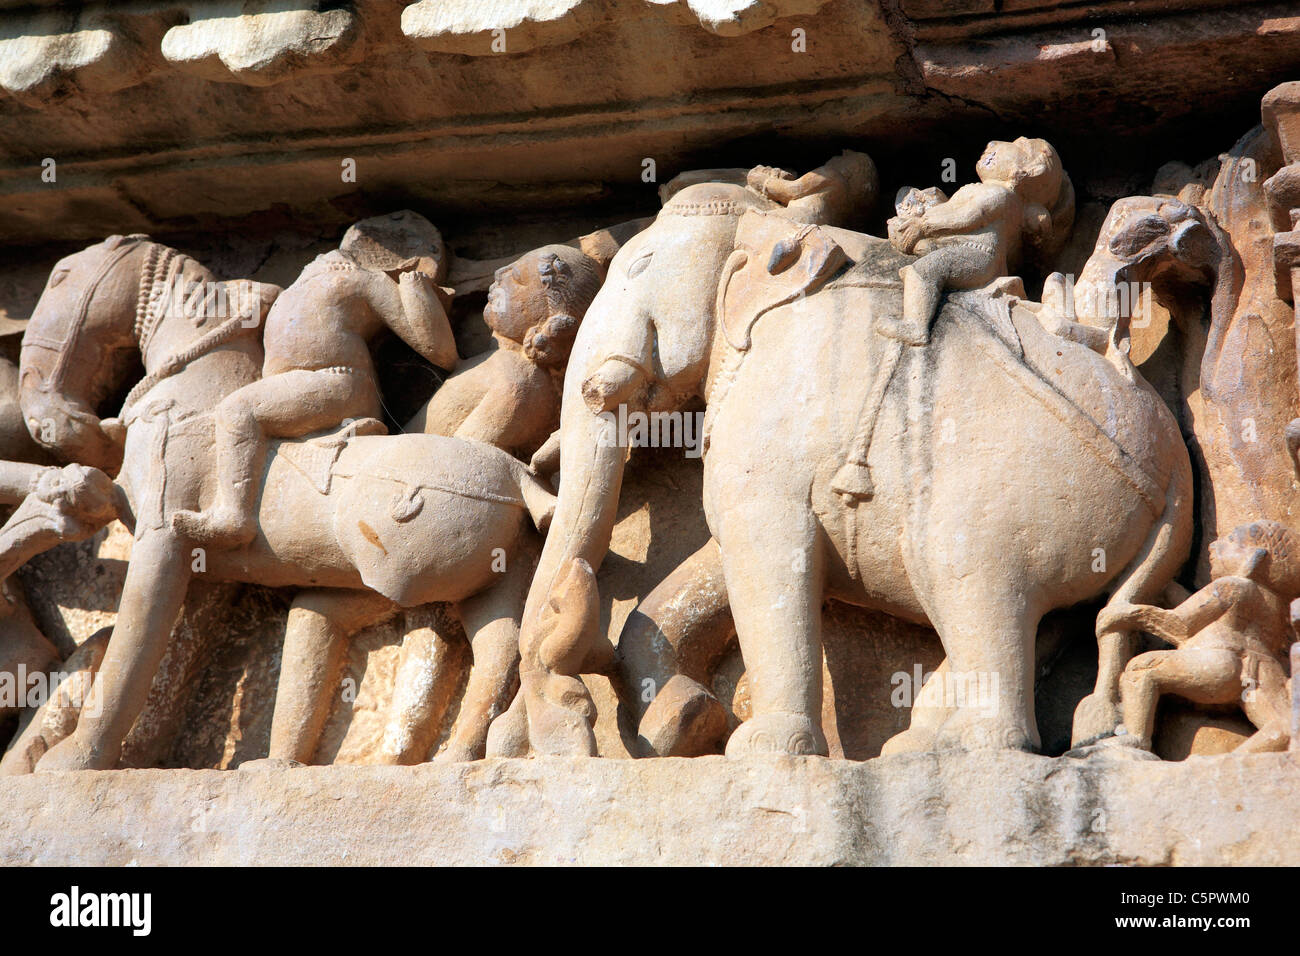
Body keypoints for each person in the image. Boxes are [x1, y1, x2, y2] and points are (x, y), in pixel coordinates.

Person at [171, 211, 458, 547]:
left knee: (237, 410)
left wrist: (414, 288)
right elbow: (244, 305)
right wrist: (216, 293)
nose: (327, 257)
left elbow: (441, 352)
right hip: (294, 387)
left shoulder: (364, 280)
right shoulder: (290, 289)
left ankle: (234, 518)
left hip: (337, 384)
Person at [1101, 521, 1298, 753]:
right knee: (1282, 726)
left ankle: (1135, 740)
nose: (1214, 545)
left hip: (1216, 663)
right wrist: (1166, 588)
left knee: (1140, 670)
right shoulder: (1279, 608)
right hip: (1258, 672)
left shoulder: (1231, 586)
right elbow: (1211, 622)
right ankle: (1235, 761)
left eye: (1231, 541)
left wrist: (1129, 614)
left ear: (1253, 559)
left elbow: (1180, 626)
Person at [405, 244, 603, 461]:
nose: (500, 273)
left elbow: (464, 457)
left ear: (548, 316)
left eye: (517, 278)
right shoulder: (503, 364)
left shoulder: (519, 384)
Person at [887, 137, 1075, 346]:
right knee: (916, 252)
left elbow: (969, 216)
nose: (992, 144)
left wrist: (923, 226)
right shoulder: (981, 190)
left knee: (923, 271)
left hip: (977, 254)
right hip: (959, 246)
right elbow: (949, 211)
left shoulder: (1000, 193)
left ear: (1027, 170)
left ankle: (914, 326)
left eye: (1016, 147)